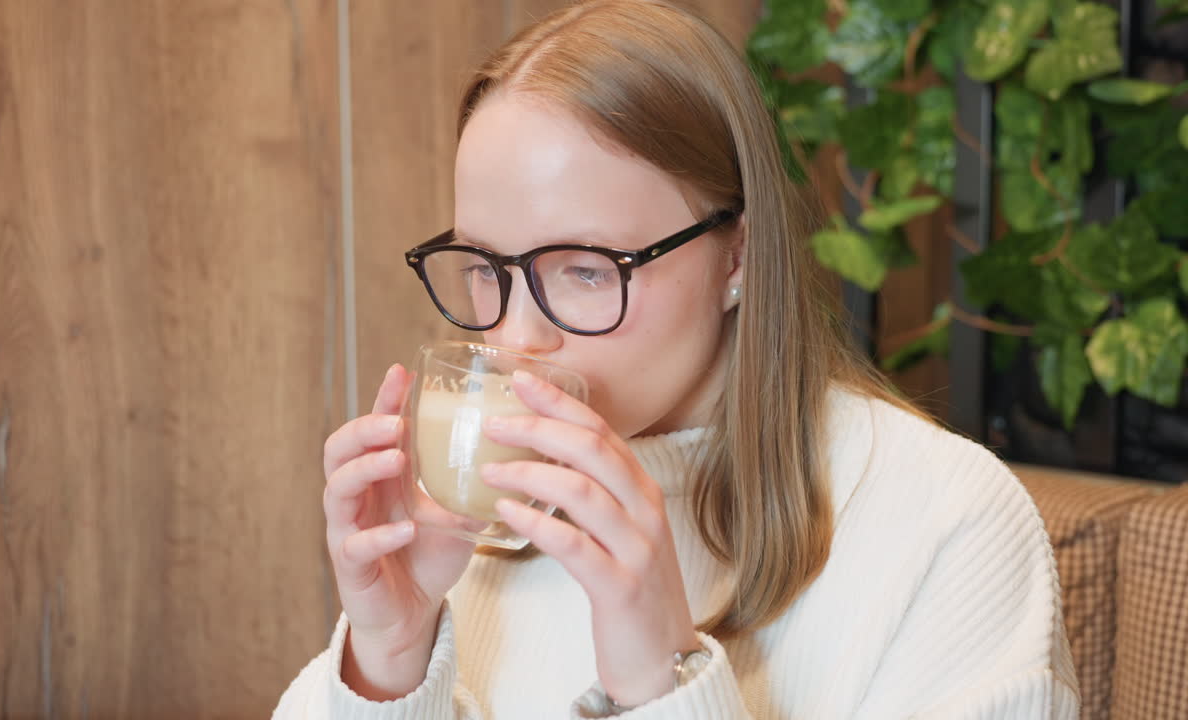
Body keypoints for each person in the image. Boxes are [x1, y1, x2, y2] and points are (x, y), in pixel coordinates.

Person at [273, 1, 1079, 717]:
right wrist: (386, 666)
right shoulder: (463, 529)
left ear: (737, 260)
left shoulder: (944, 523)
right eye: (486, 269)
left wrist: (664, 678)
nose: (515, 339)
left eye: (586, 271)